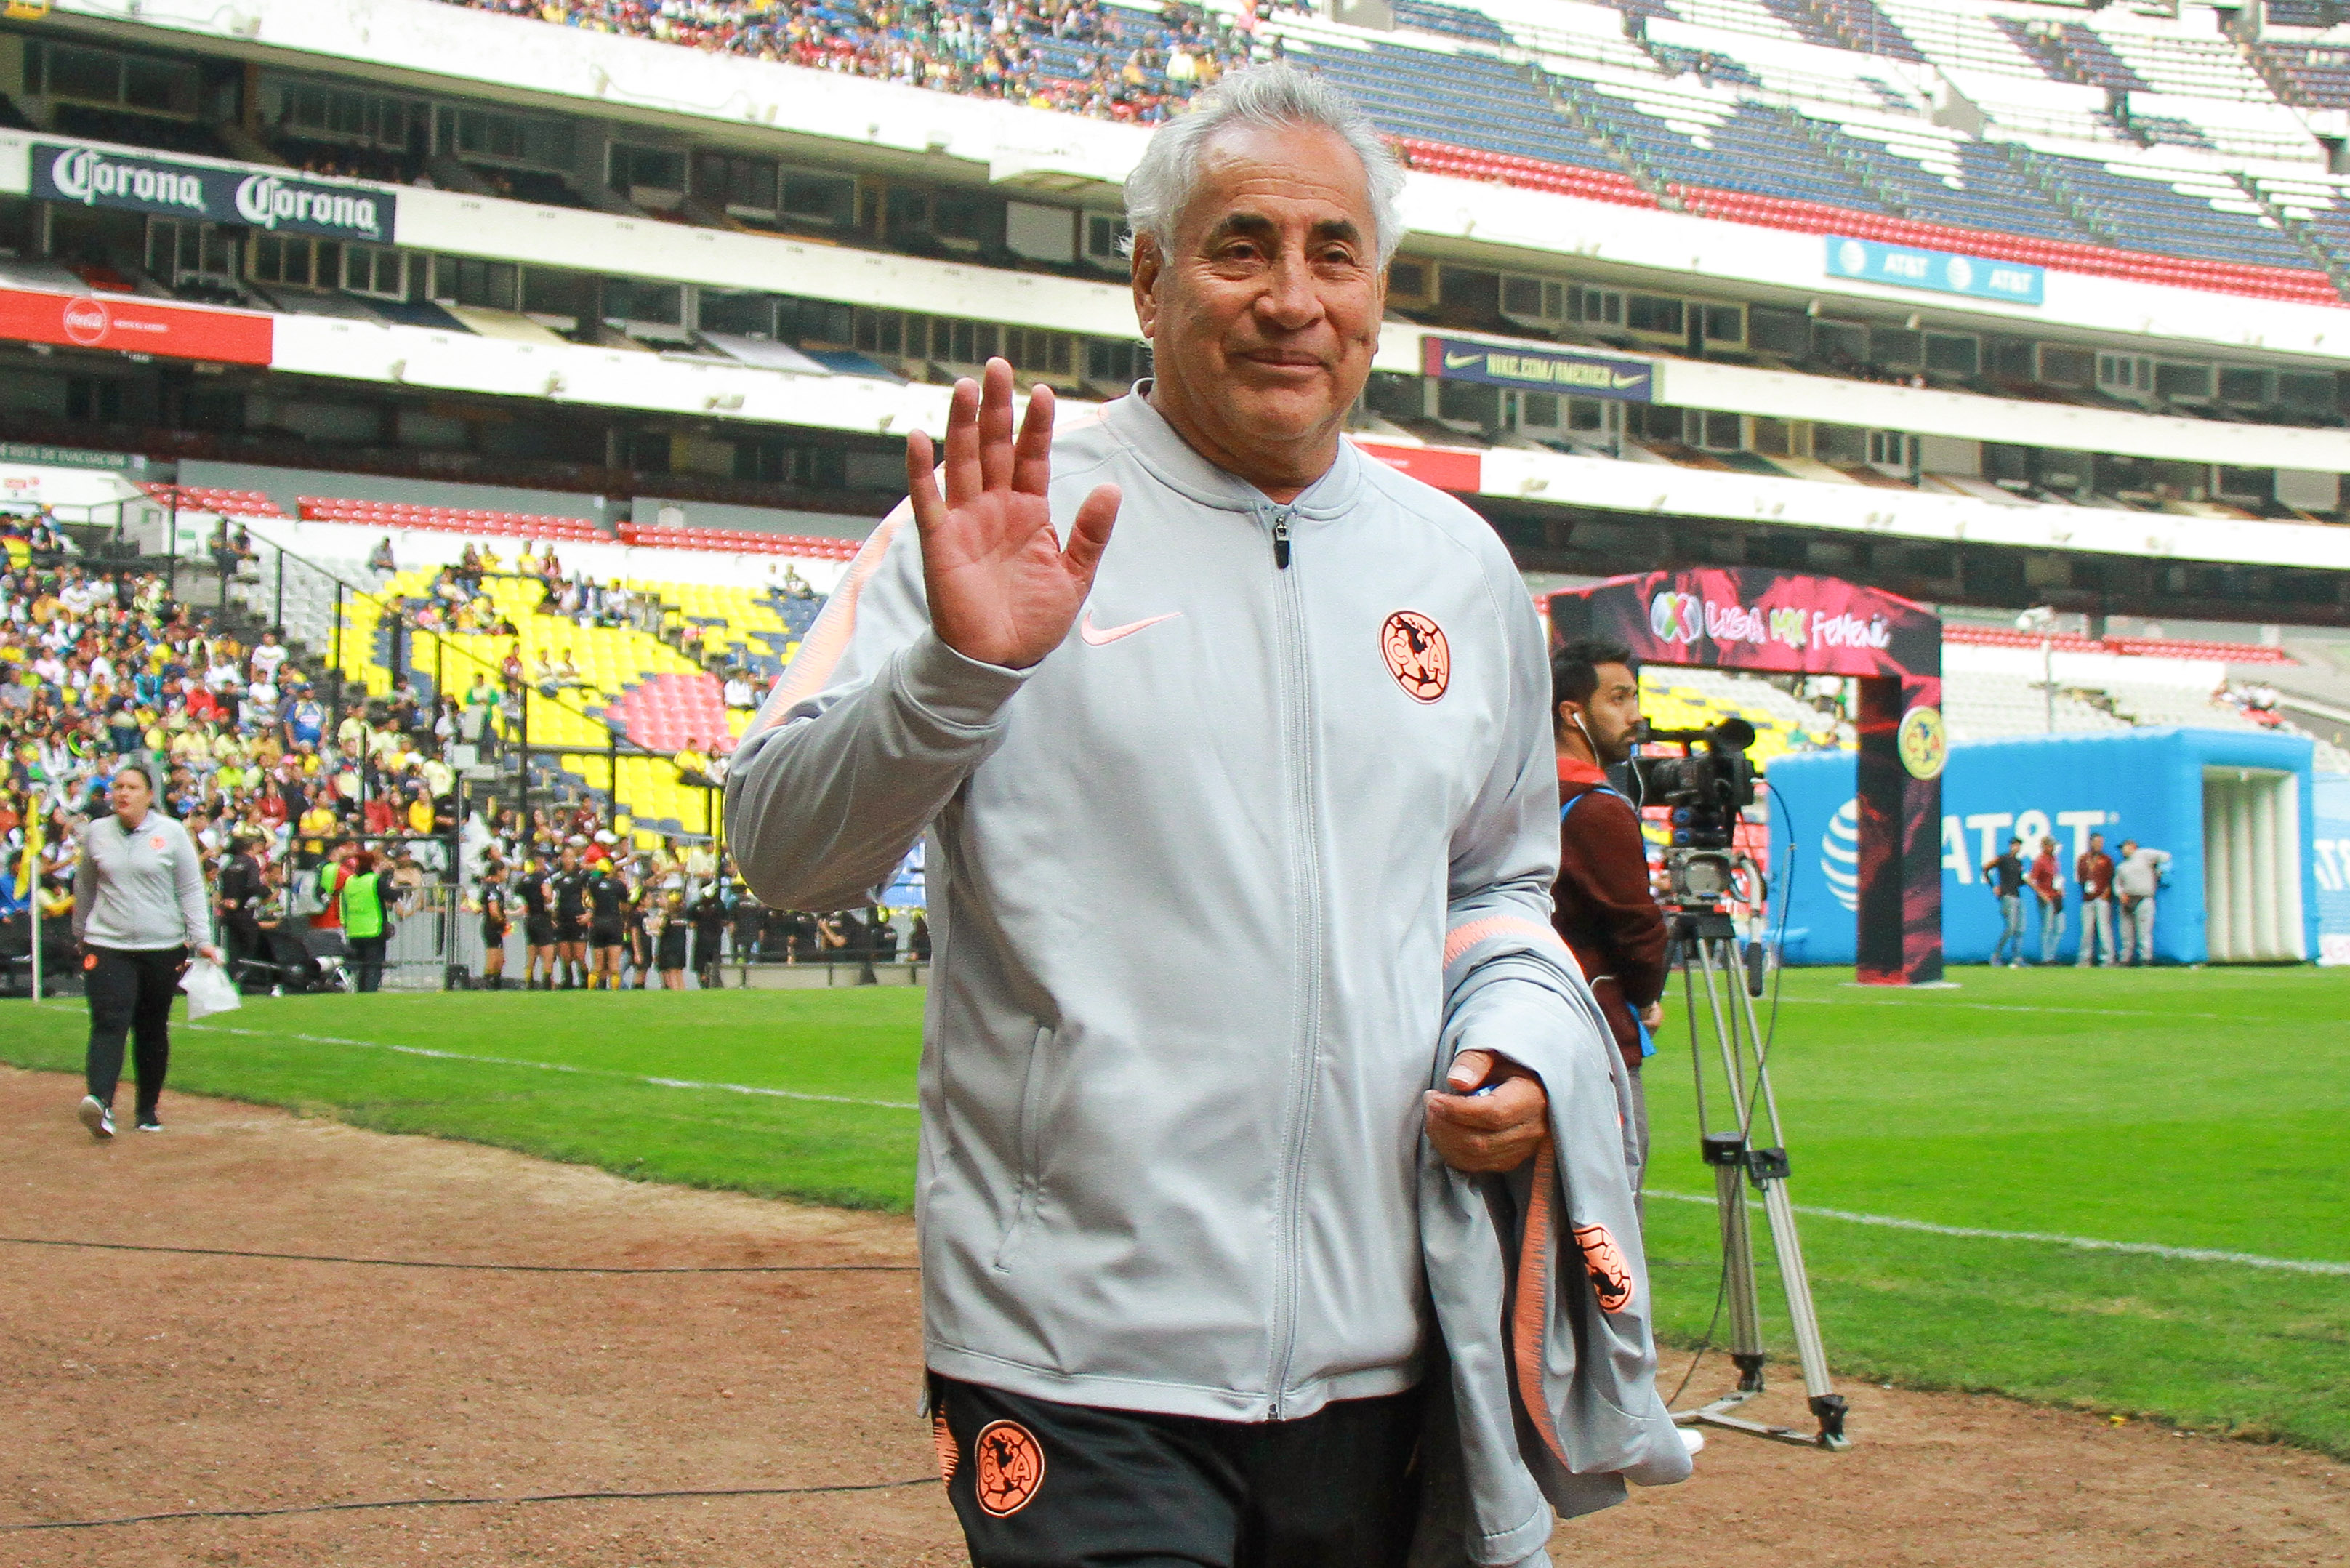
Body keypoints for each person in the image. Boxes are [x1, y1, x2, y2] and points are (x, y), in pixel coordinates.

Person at [725, 66, 1682, 1568]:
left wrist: (1512, 1044)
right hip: (1067, 1351)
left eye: (1332, 253)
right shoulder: (1007, 517)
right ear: (1148, 280)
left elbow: (1497, 887)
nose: (1289, 298)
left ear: (1378, 291)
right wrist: (960, 671)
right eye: (1239, 247)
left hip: (1389, 1350)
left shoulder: (1460, 570)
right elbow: (778, 852)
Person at [1548, 638, 1667, 1193]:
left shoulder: (1515, 791)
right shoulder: (1595, 806)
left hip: (1524, 1018)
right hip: (1595, 1033)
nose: (1635, 714)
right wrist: (1645, 997)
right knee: (1610, 1209)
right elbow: (1637, 926)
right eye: (1618, 698)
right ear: (1572, 713)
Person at [72, 762, 222, 1136]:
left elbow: (190, 888)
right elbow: (85, 886)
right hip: (108, 943)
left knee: (152, 1027)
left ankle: (147, 1109)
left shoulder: (171, 833)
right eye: (118, 787)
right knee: (109, 1020)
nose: (123, 794)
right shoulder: (97, 832)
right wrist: (81, 932)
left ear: (149, 795)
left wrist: (202, 939)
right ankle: (101, 1103)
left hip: (162, 946)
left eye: (132, 788)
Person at [216, 827, 268, 992]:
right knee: (249, 945)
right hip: (244, 911)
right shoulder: (250, 863)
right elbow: (252, 887)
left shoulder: (229, 863)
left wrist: (226, 900)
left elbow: (221, 883)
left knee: (232, 946)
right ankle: (246, 979)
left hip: (228, 911)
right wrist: (264, 892)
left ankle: (229, 976)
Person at [335, 848, 393, 992]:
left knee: (359, 964)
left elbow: (344, 903)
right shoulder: (374, 880)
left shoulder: (350, 881)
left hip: (354, 930)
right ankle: (370, 992)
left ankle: (359, 991)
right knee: (373, 965)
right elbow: (391, 896)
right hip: (373, 929)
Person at [2114, 837, 2172, 966]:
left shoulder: (2144, 854)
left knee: (2144, 932)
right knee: (2126, 933)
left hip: (2144, 897)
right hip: (2127, 900)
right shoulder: (2122, 866)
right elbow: (2117, 884)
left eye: (2124, 847)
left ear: (2132, 846)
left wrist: (2160, 870)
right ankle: (2125, 959)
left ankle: (2146, 958)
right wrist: (2120, 894)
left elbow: (2166, 857)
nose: (2122, 851)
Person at [550, 844, 589, 989]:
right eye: (565, 856)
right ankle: (568, 982)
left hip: (578, 920)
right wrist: (552, 917)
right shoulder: (556, 877)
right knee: (565, 956)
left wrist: (589, 914)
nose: (568, 860)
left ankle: (586, 982)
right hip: (562, 920)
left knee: (579, 956)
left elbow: (590, 896)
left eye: (571, 856)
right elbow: (552, 898)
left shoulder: (583, 875)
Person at [1984, 835, 2027, 967]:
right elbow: (1986, 868)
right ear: (2010, 846)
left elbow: (2019, 882)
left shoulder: (2019, 863)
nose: (2016, 848)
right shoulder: (2003, 859)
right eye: (2014, 845)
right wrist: (1993, 886)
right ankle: (1996, 955)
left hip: (2017, 896)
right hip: (2007, 896)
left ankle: (2017, 958)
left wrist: (2026, 879)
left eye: (2018, 845)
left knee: (2020, 929)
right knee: (2011, 928)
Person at [2075, 831, 2116, 968]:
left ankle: (2107, 959)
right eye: (2097, 842)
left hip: (2102, 898)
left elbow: (2111, 879)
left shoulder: (2107, 859)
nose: (2099, 845)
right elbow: (2081, 878)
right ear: (2091, 842)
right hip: (2087, 899)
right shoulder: (2083, 859)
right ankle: (2084, 959)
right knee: (2086, 930)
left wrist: (2106, 894)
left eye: (2101, 843)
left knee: (2104, 929)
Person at [585, 860, 628, 989]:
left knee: (597, 966)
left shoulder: (593, 884)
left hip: (598, 923)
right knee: (614, 966)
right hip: (614, 924)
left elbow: (588, 899)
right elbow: (625, 905)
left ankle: (590, 990)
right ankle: (614, 991)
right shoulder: (618, 885)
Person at [2027, 834, 2064, 965]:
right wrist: (2041, 893)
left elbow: (2056, 877)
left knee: (2059, 927)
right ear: (2045, 846)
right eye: (2051, 845)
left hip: (2056, 896)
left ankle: (2052, 955)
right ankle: (2045, 958)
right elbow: (2030, 879)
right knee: (2047, 927)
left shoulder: (2054, 859)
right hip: (2047, 898)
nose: (2053, 848)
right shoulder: (2040, 861)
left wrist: (2060, 888)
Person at [689, 876, 729, 989]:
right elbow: (692, 922)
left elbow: (725, 920)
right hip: (704, 938)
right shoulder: (697, 906)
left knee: (712, 961)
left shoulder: (718, 905)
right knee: (703, 962)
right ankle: (705, 981)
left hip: (712, 938)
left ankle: (712, 980)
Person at [477, 861, 511, 989]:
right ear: (499, 871)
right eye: (505, 871)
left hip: (494, 927)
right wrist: (503, 921)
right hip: (492, 927)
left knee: (500, 960)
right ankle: (487, 986)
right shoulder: (492, 888)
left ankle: (495, 986)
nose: (506, 874)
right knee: (493, 960)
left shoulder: (492, 887)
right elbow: (494, 911)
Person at [656, 889, 690, 989]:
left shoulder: (666, 916)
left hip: (668, 947)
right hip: (680, 947)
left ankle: (675, 993)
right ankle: (682, 993)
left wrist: (660, 916)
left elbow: (658, 929)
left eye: (661, 898)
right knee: (678, 972)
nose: (658, 900)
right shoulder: (683, 914)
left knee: (671, 973)